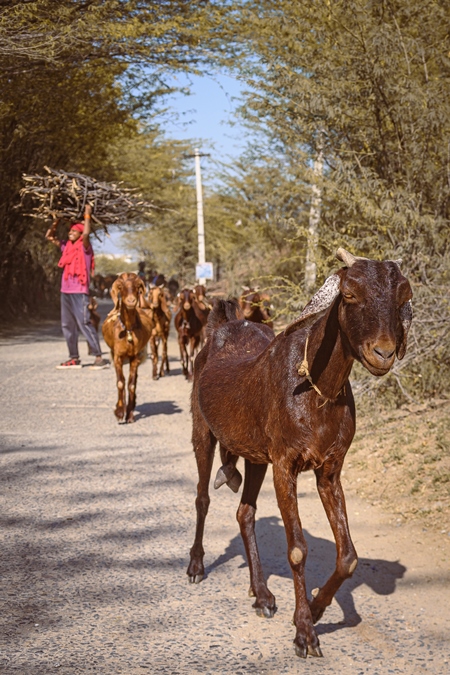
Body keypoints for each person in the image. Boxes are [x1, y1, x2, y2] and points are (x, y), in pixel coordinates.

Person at [45, 204, 109, 369]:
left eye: (74, 231)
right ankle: (74, 358)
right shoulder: (66, 247)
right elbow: (49, 236)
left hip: (79, 291)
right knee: (67, 325)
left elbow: (86, 233)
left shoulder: (84, 248)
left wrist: (87, 215)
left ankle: (98, 357)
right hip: (65, 291)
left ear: (80, 234)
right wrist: (56, 221)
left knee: (84, 323)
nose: (70, 233)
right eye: (70, 231)